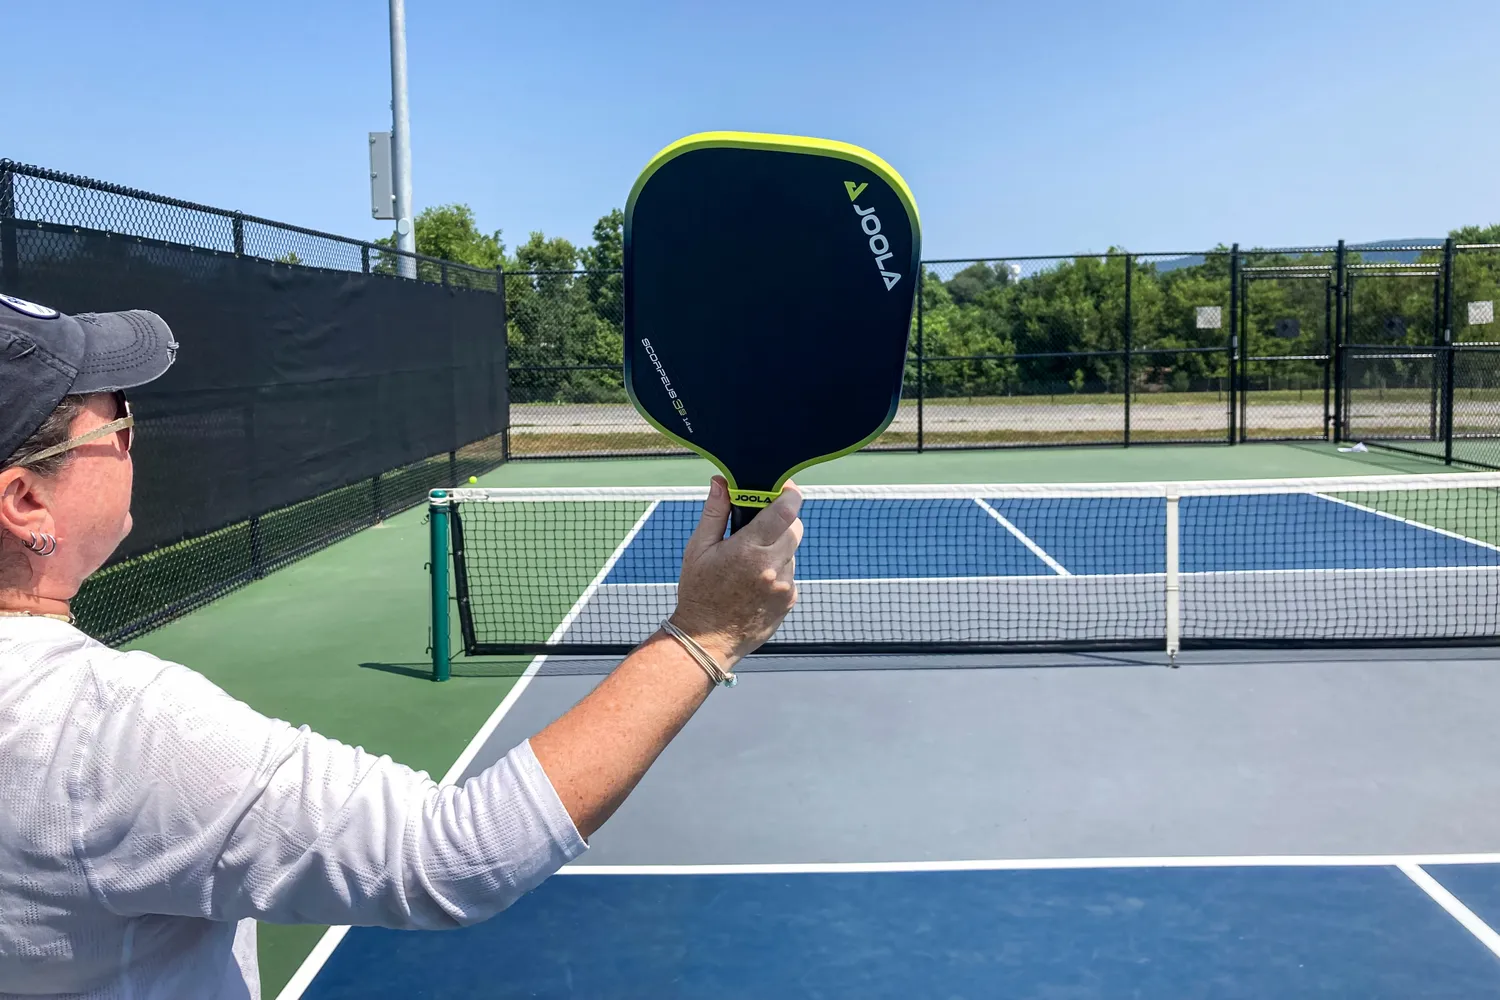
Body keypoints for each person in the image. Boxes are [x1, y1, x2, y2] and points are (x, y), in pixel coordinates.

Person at [0, 294, 805, 999]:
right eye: (117, 423)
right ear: (27, 498)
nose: (132, 441)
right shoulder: (105, 734)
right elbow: (451, 857)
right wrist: (705, 635)